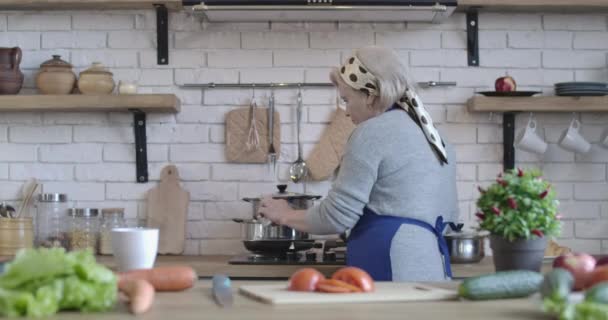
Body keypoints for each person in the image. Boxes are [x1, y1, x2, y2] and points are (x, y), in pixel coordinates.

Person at [257, 46, 459, 282]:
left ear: (371, 95)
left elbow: (337, 216)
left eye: (347, 99)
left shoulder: (372, 132)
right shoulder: (434, 135)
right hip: (431, 261)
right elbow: (450, 214)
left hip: (391, 260)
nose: (345, 110)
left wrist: (285, 215)